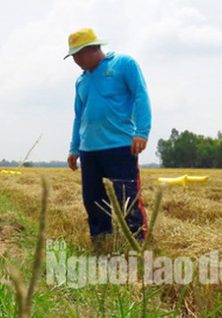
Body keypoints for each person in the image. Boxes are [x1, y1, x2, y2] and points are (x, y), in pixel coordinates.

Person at [64, 28, 151, 244]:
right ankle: (101, 239)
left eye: (78, 54)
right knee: (93, 199)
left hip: (120, 145)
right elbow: (79, 116)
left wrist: (141, 132)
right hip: (89, 150)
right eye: (73, 56)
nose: (75, 60)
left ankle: (137, 238)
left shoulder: (123, 64)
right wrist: (74, 148)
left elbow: (141, 95)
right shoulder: (81, 81)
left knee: (127, 196)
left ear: (92, 49)